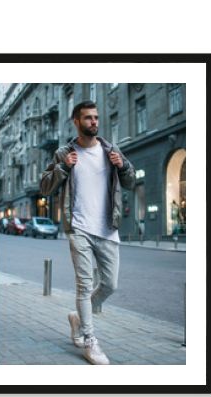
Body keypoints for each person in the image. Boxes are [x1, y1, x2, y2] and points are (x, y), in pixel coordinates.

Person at [40, 100, 135, 364]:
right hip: (79, 227)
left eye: (95, 118)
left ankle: (77, 317)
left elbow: (130, 181)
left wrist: (123, 166)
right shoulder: (64, 153)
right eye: (88, 118)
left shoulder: (111, 150)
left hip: (107, 227)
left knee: (110, 285)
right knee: (83, 285)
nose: (93, 122)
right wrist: (63, 168)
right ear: (76, 122)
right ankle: (89, 339)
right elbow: (45, 187)